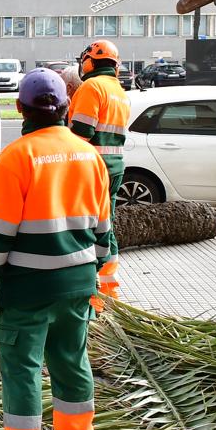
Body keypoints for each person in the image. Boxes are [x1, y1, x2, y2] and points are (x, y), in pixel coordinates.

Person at [0, 68, 111, 430]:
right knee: (71, 363)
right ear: (67, 106)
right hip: (78, 282)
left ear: (19, 109)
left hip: (29, 287)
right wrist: (95, 274)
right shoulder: (90, 155)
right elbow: (104, 229)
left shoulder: (17, 157)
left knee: (24, 370)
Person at [67, 40, 130, 310]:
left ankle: (89, 290)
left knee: (86, 228)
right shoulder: (119, 91)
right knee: (106, 226)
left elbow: (80, 134)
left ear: (91, 61)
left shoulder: (92, 87)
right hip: (115, 166)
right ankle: (108, 288)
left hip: (92, 168)